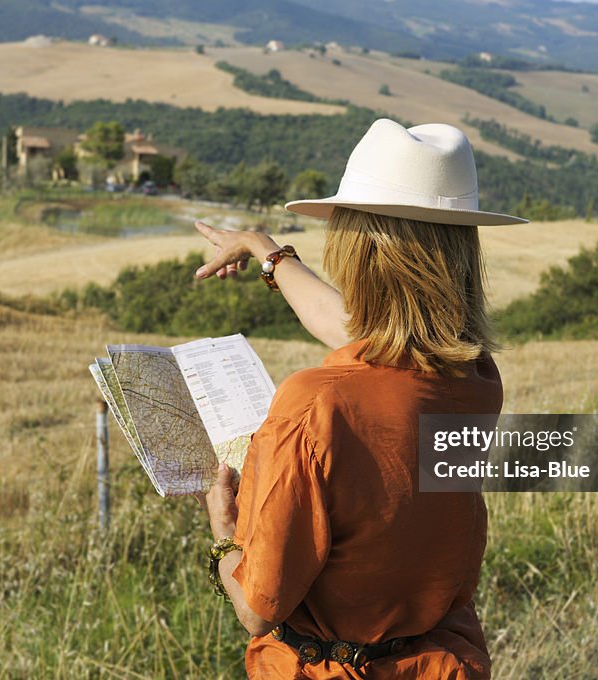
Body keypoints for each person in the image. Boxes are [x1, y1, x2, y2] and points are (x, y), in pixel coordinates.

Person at [195, 118, 526, 679]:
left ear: (360, 253)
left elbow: (256, 608)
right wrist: (266, 251)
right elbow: (358, 330)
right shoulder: (473, 377)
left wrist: (224, 534)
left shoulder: (315, 407)